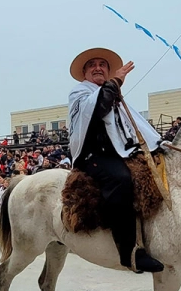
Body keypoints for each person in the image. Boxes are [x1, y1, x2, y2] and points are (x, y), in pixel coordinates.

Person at [68, 47, 164, 273]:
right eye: (92, 65)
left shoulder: (116, 96)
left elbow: (136, 125)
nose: (98, 68)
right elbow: (98, 107)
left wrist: (158, 144)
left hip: (121, 153)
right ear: (85, 73)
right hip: (94, 156)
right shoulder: (80, 93)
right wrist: (115, 82)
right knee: (121, 179)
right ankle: (129, 252)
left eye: (102, 64)